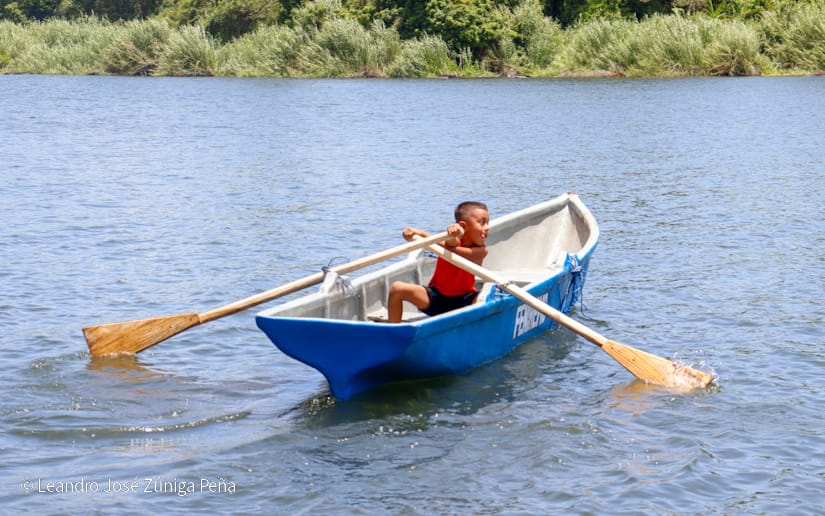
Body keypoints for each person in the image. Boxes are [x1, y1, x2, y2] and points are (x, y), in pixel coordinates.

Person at [387, 201, 490, 323]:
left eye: (488, 223)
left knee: (485, 298)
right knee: (397, 288)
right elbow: (452, 244)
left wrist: (422, 235)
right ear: (463, 226)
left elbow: (452, 249)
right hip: (436, 299)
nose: (487, 227)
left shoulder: (482, 250)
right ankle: (393, 330)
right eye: (482, 223)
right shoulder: (452, 240)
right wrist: (450, 236)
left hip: (465, 302)